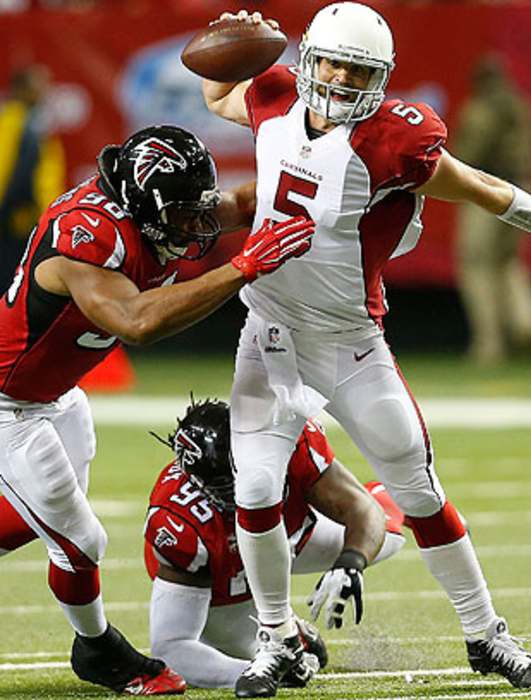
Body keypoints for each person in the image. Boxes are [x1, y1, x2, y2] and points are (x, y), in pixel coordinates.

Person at [200, 4, 531, 697]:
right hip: (269, 334)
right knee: (256, 489)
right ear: (309, 58)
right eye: (333, 63)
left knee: (418, 490)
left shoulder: (390, 141)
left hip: (349, 343)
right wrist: (227, 40)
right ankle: (277, 638)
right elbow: (218, 89)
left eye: (359, 70)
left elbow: (480, 187)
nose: (343, 79)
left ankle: (486, 634)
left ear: (380, 78)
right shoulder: (274, 95)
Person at [0, 124, 315, 694]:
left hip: (57, 394)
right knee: (79, 542)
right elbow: (136, 321)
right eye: (183, 216)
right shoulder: (88, 235)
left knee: (36, 525)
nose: (197, 227)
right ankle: (100, 650)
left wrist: (333, 192)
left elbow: (242, 203)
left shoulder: (158, 207)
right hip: (8, 405)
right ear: (144, 209)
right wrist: (243, 267)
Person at [142, 397, 405, 689]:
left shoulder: (289, 442)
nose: (242, 486)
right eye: (227, 482)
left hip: (291, 535)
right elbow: (171, 648)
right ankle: (294, 631)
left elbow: (362, 511)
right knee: (255, 655)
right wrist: (254, 671)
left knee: (387, 535)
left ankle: (402, 499)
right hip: (226, 578)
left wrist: (351, 562)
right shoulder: (180, 522)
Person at [454, 55, 531, 365]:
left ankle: (489, 344)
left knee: (476, 266)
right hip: (524, 191)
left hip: (488, 195)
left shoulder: (480, 110)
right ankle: (527, 320)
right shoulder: (522, 107)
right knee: (508, 262)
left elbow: (467, 156)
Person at [0, 65, 65, 294]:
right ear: (22, 89)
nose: (45, 91)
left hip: (23, 221)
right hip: (11, 222)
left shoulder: (32, 122)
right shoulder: (14, 121)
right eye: (39, 86)